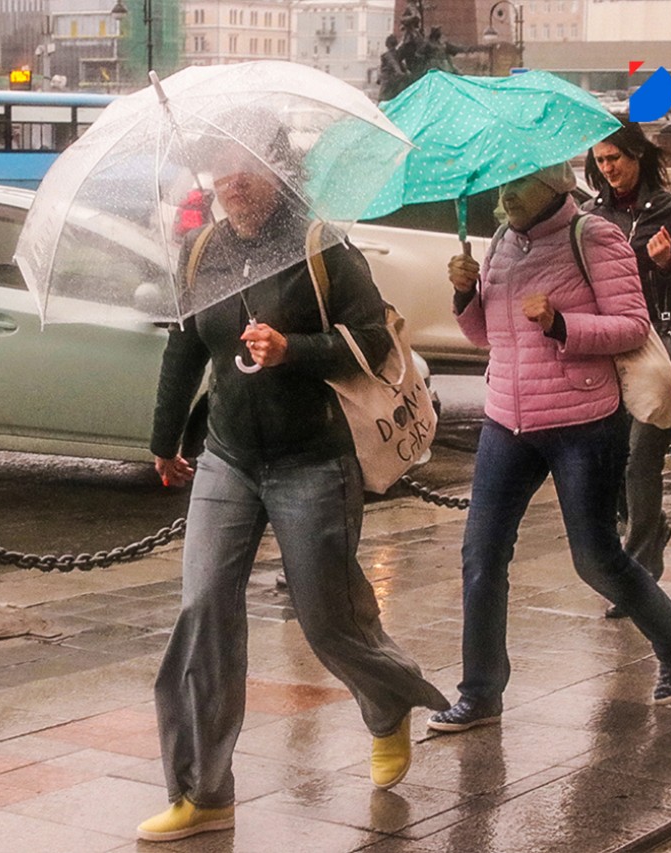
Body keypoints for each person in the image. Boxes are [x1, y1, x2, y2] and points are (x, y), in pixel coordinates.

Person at [138, 120, 449, 843]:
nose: (230, 180)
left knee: (329, 618)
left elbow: (372, 337)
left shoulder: (322, 247)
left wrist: (293, 348)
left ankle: (387, 699)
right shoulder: (203, 249)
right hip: (229, 457)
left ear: (277, 170)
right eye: (219, 166)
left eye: (244, 165)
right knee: (202, 612)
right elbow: (185, 346)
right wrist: (162, 438)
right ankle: (201, 789)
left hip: (314, 458)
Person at [426, 161, 671, 734]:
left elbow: (631, 325)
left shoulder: (593, 236)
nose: (507, 193)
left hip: (582, 420)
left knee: (594, 558)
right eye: (505, 183)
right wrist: (463, 296)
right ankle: (480, 692)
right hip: (507, 419)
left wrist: (560, 324)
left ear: (553, 185)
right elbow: (485, 337)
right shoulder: (501, 241)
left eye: (519, 182)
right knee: (481, 556)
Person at [583, 121, 671, 620]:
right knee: (608, 464)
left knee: (640, 459)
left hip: (654, 349)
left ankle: (636, 576)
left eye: (615, 158)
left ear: (637, 156)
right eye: (600, 161)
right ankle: (648, 531)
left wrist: (667, 266)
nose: (607, 169)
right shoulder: (593, 215)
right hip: (607, 347)